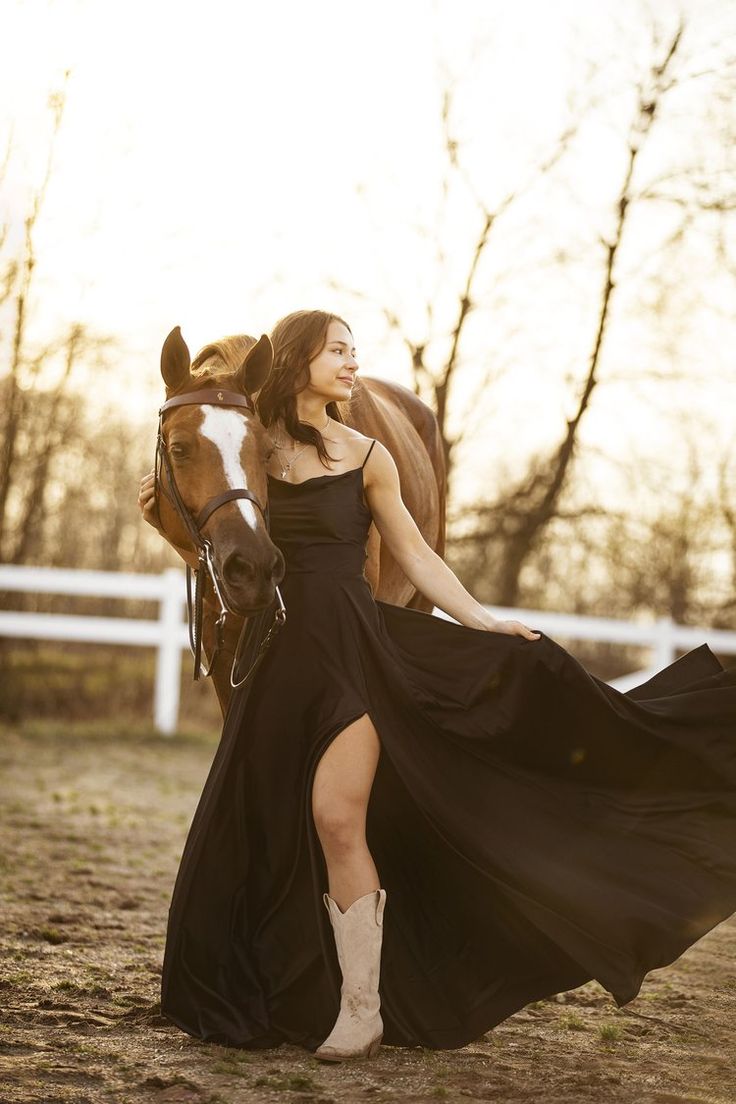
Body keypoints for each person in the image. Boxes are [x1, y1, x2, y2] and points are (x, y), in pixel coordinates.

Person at [138, 309, 736, 1063]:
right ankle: (269, 984)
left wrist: (484, 624)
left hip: (354, 653)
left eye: (357, 352)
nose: (354, 364)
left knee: (335, 816)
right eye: (339, 353)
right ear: (297, 363)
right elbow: (206, 501)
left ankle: (362, 1008)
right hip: (277, 662)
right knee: (252, 821)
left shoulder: (369, 455)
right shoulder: (259, 444)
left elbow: (417, 558)